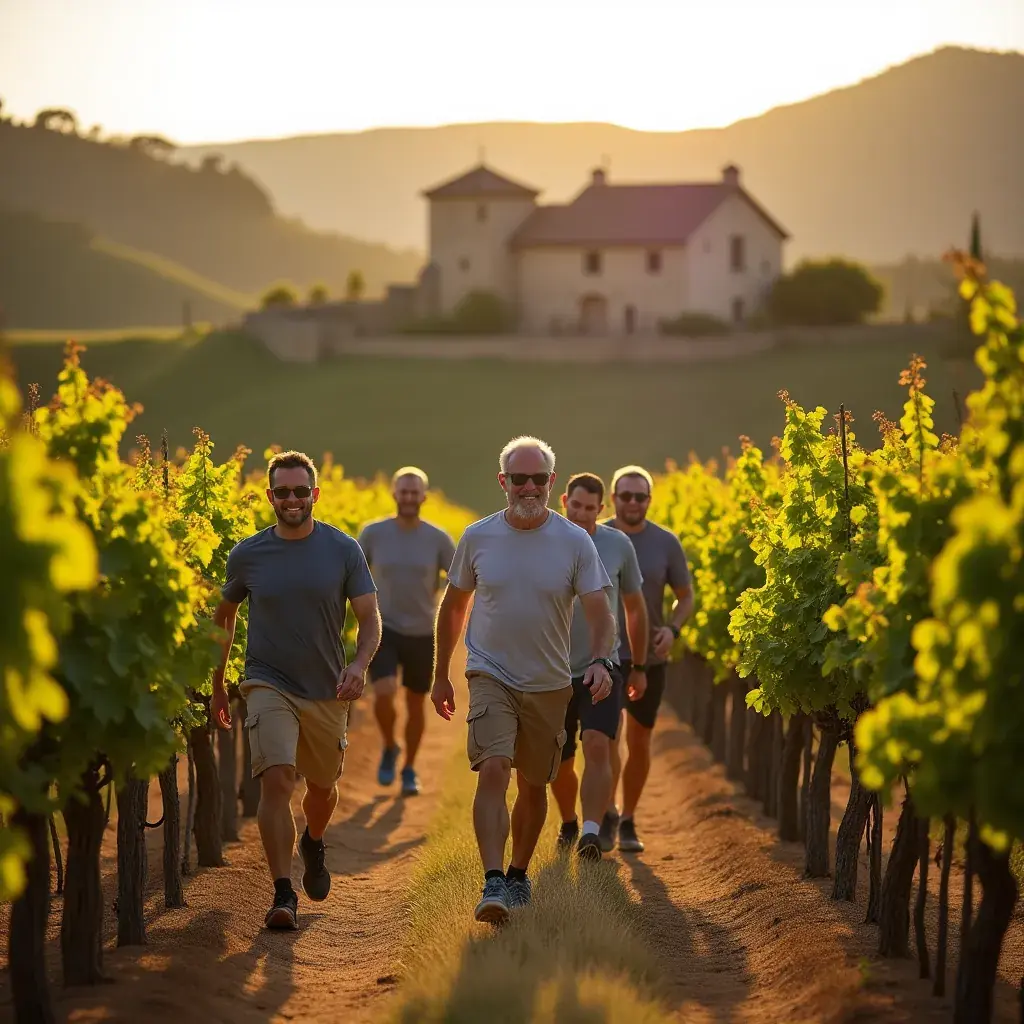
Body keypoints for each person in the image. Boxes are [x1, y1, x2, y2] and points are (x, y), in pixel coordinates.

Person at [431, 436, 616, 925]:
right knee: (494, 766)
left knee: (534, 786)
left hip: (550, 682)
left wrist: (601, 661)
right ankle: (492, 880)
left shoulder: (576, 541)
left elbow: (600, 613)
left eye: (538, 479)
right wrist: (441, 675)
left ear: (552, 483)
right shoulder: (478, 537)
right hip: (490, 671)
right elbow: (453, 608)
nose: (529, 487)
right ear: (503, 483)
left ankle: (517, 874)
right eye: (519, 479)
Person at [210, 450, 382, 931]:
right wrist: (220, 682)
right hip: (267, 680)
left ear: (314, 495)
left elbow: (369, 619)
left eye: (299, 491)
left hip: (327, 689)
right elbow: (224, 617)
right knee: (278, 779)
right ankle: (283, 893)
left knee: (323, 790)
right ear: (270, 496)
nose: (291, 499)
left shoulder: (343, 550)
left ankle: (314, 840)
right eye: (282, 491)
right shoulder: (247, 554)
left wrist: (359, 664)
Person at [551, 472, 649, 861]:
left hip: (602, 666)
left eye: (590, 509)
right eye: (576, 506)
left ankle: (591, 833)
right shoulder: (545, 542)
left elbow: (636, 610)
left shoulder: (617, 545)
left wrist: (638, 666)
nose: (581, 514)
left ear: (600, 509)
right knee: (559, 760)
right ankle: (569, 822)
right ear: (564, 502)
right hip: (552, 670)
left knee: (597, 744)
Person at [601, 464, 693, 855]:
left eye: (640, 496)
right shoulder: (593, 537)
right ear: (613, 499)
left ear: (649, 501)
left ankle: (629, 819)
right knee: (605, 741)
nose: (633, 503)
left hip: (648, 660)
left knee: (639, 740)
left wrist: (672, 629)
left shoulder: (666, 543)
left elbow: (685, 596)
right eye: (626, 496)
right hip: (601, 656)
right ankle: (605, 811)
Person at [357, 466, 456, 797]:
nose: (410, 497)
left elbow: (460, 580)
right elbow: (354, 575)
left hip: (422, 632)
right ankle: (389, 746)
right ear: (395, 494)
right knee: (384, 692)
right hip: (383, 628)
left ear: (423, 497)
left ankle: (410, 767)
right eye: (404, 491)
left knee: (416, 704)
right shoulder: (373, 534)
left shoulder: (438, 538)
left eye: (415, 492)